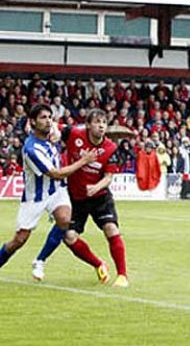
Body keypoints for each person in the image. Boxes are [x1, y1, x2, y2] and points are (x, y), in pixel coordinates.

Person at [32, 109, 129, 287]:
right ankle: (99, 264)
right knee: (68, 237)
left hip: (100, 197)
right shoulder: (74, 134)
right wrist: (54, 133)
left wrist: (96, 187)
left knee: (111, 229)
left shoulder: (110, 148)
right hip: (75, 198)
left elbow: (108, 177)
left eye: (104, 123)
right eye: (97, 122)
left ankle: (122, 275)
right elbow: (55, 126)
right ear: (89, 124)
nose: (101, 126)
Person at [0, 104, 96, 272]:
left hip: (56, 191)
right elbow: (56, 173)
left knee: (65, 219)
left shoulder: (52, 135)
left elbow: (70, 130)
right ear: (33, 122)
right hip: (35, 196)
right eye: (43, 118)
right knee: (19, 240)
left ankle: (40, 260)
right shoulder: (31, 149)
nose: (47, 121)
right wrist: (83, 161)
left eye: (49, 117)